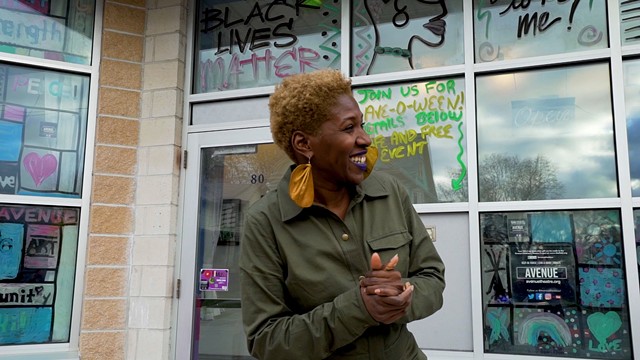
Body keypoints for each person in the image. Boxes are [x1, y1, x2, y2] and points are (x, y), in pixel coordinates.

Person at [239, 69, 445, 360]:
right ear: (304, 144)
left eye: (362, 125)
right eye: (349, 128)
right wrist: (358, 308)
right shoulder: (266, 222)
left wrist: (401, 296)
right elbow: (266, 340)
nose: (366, 139)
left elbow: (433, 277)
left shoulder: (389, 192)